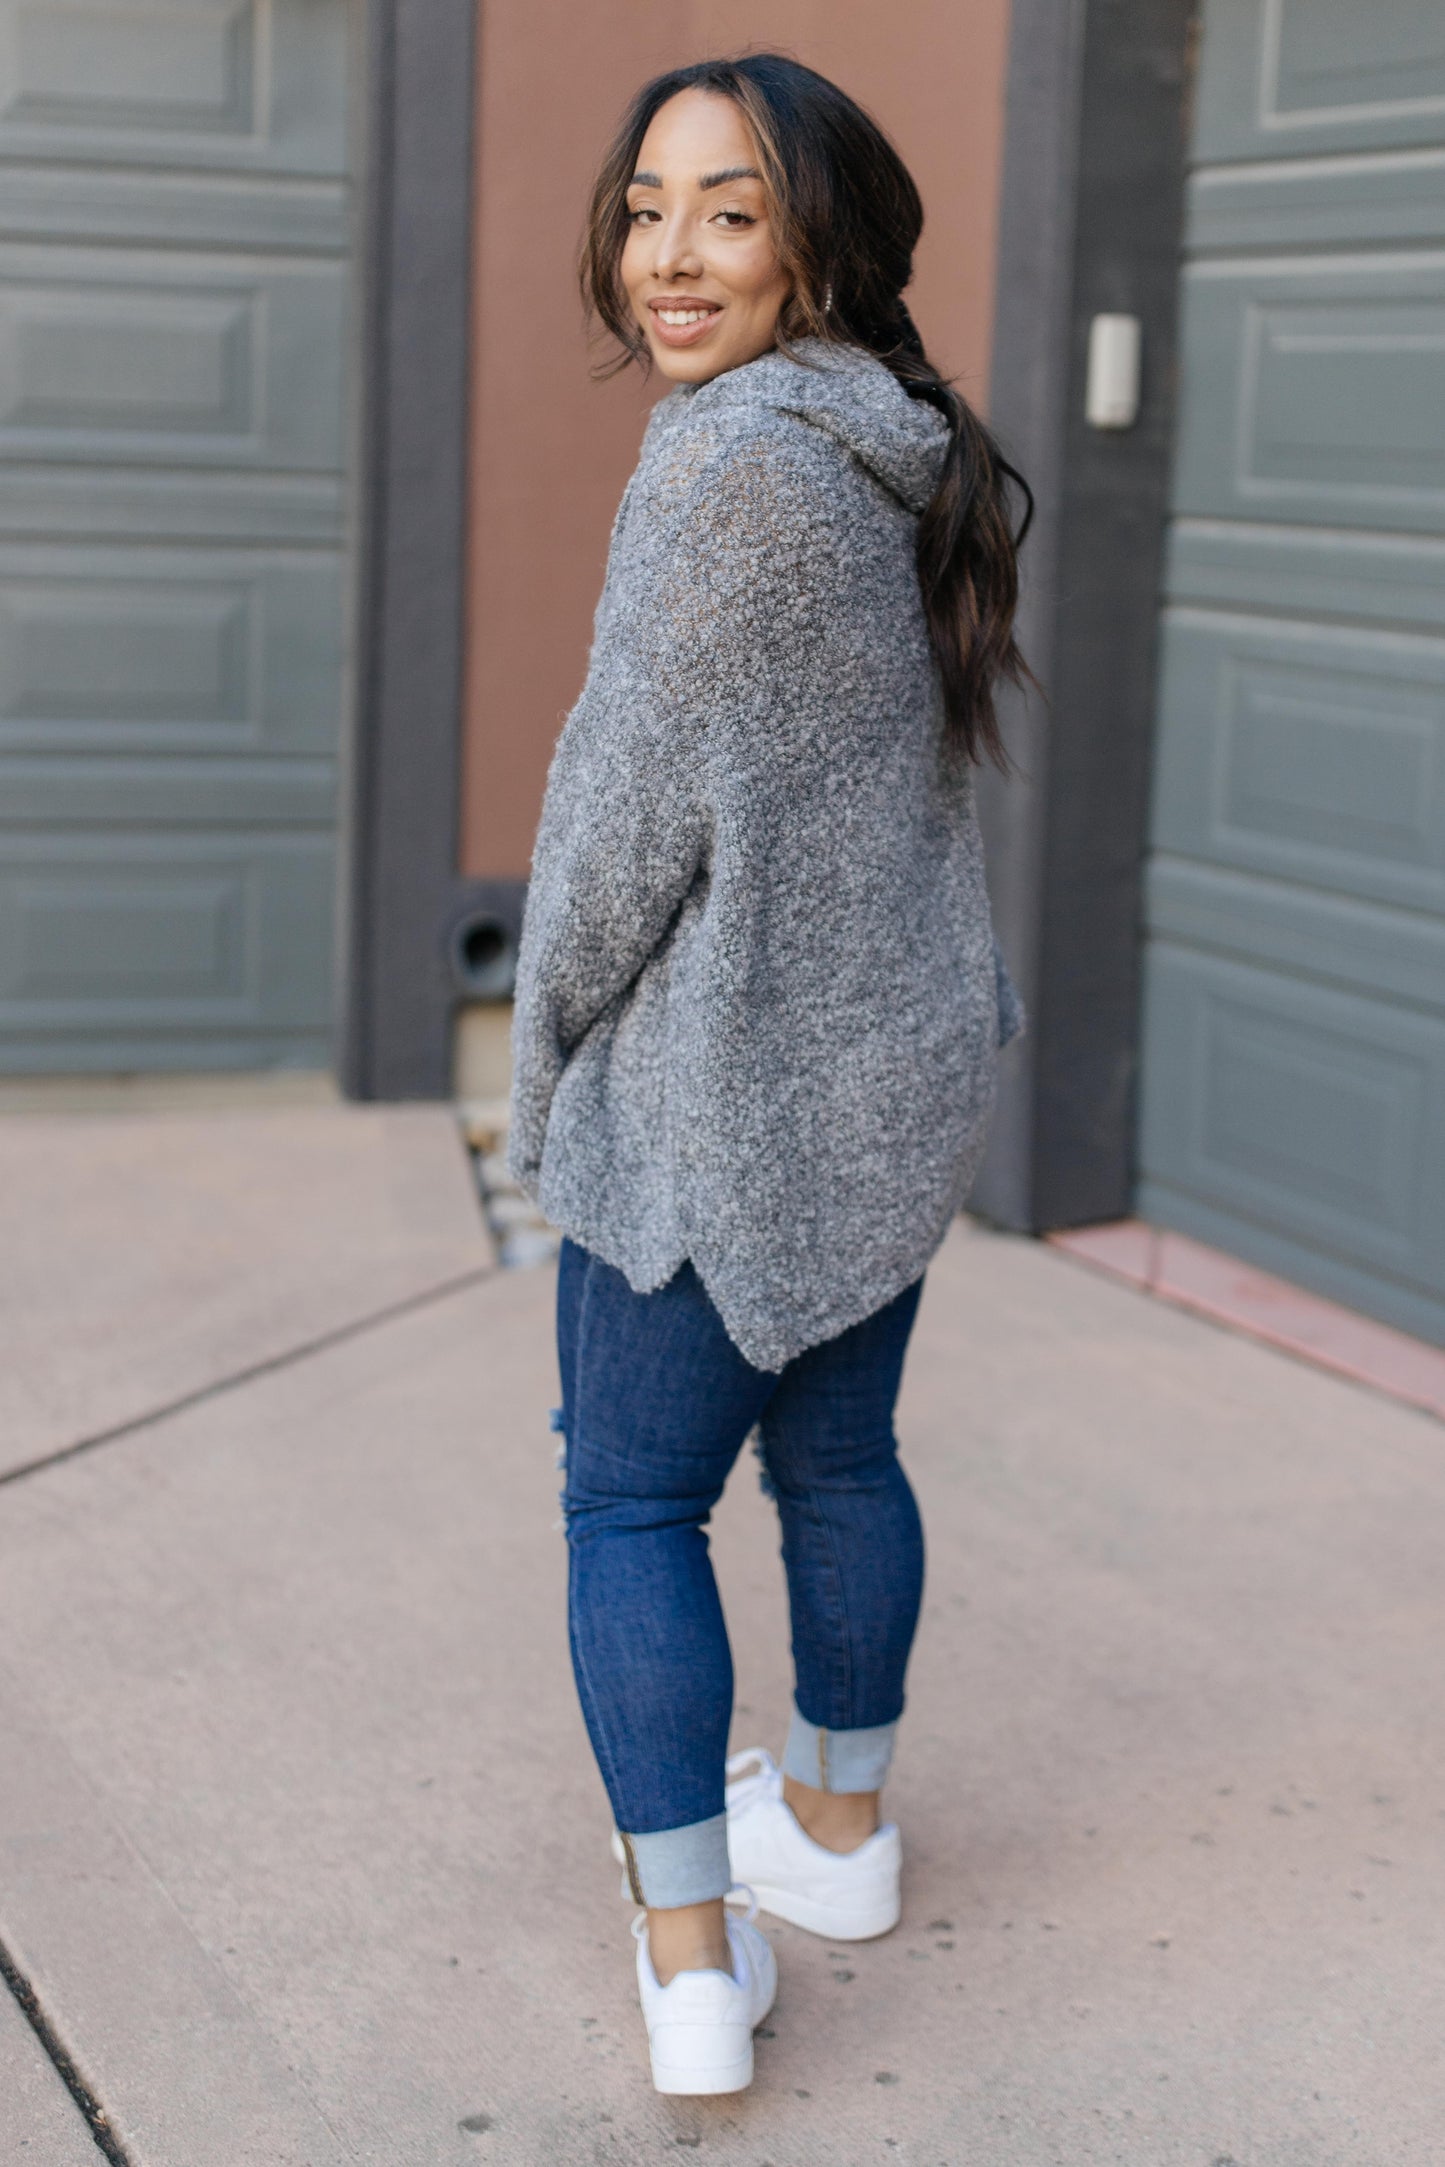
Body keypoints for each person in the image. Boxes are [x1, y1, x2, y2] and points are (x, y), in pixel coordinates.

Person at [508, 52, 1030, 2097]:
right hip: (887, 1070)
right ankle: (833, 1834)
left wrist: (544, 1047)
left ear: (822, 236)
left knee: (634, 1502)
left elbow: (621, 834)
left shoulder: (727, 464)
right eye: (647, 206)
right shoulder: (898, 442)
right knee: (834, 1466)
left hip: (728, 1097)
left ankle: (692, 1963)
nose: (668, 256)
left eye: (727, 210)